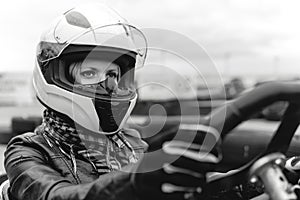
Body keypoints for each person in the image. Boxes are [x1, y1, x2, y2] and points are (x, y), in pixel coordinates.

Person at [4, 3, 221, 200]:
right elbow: (56, 196)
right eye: (89, 73)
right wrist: (133, 183)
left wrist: (239, 182)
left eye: (113, 74)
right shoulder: (28, 151)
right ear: (53, 74)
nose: (107, 86)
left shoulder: (132, 141)